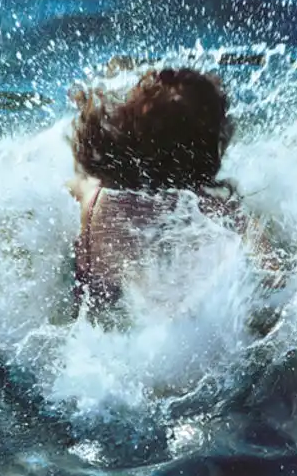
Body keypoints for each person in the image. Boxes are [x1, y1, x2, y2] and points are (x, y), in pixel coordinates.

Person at [68, 67, 271, 314]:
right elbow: (275, 272)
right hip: (184, 322)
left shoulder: (95, 196)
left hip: (93, 315)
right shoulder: (210, 209)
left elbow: (69, 188)